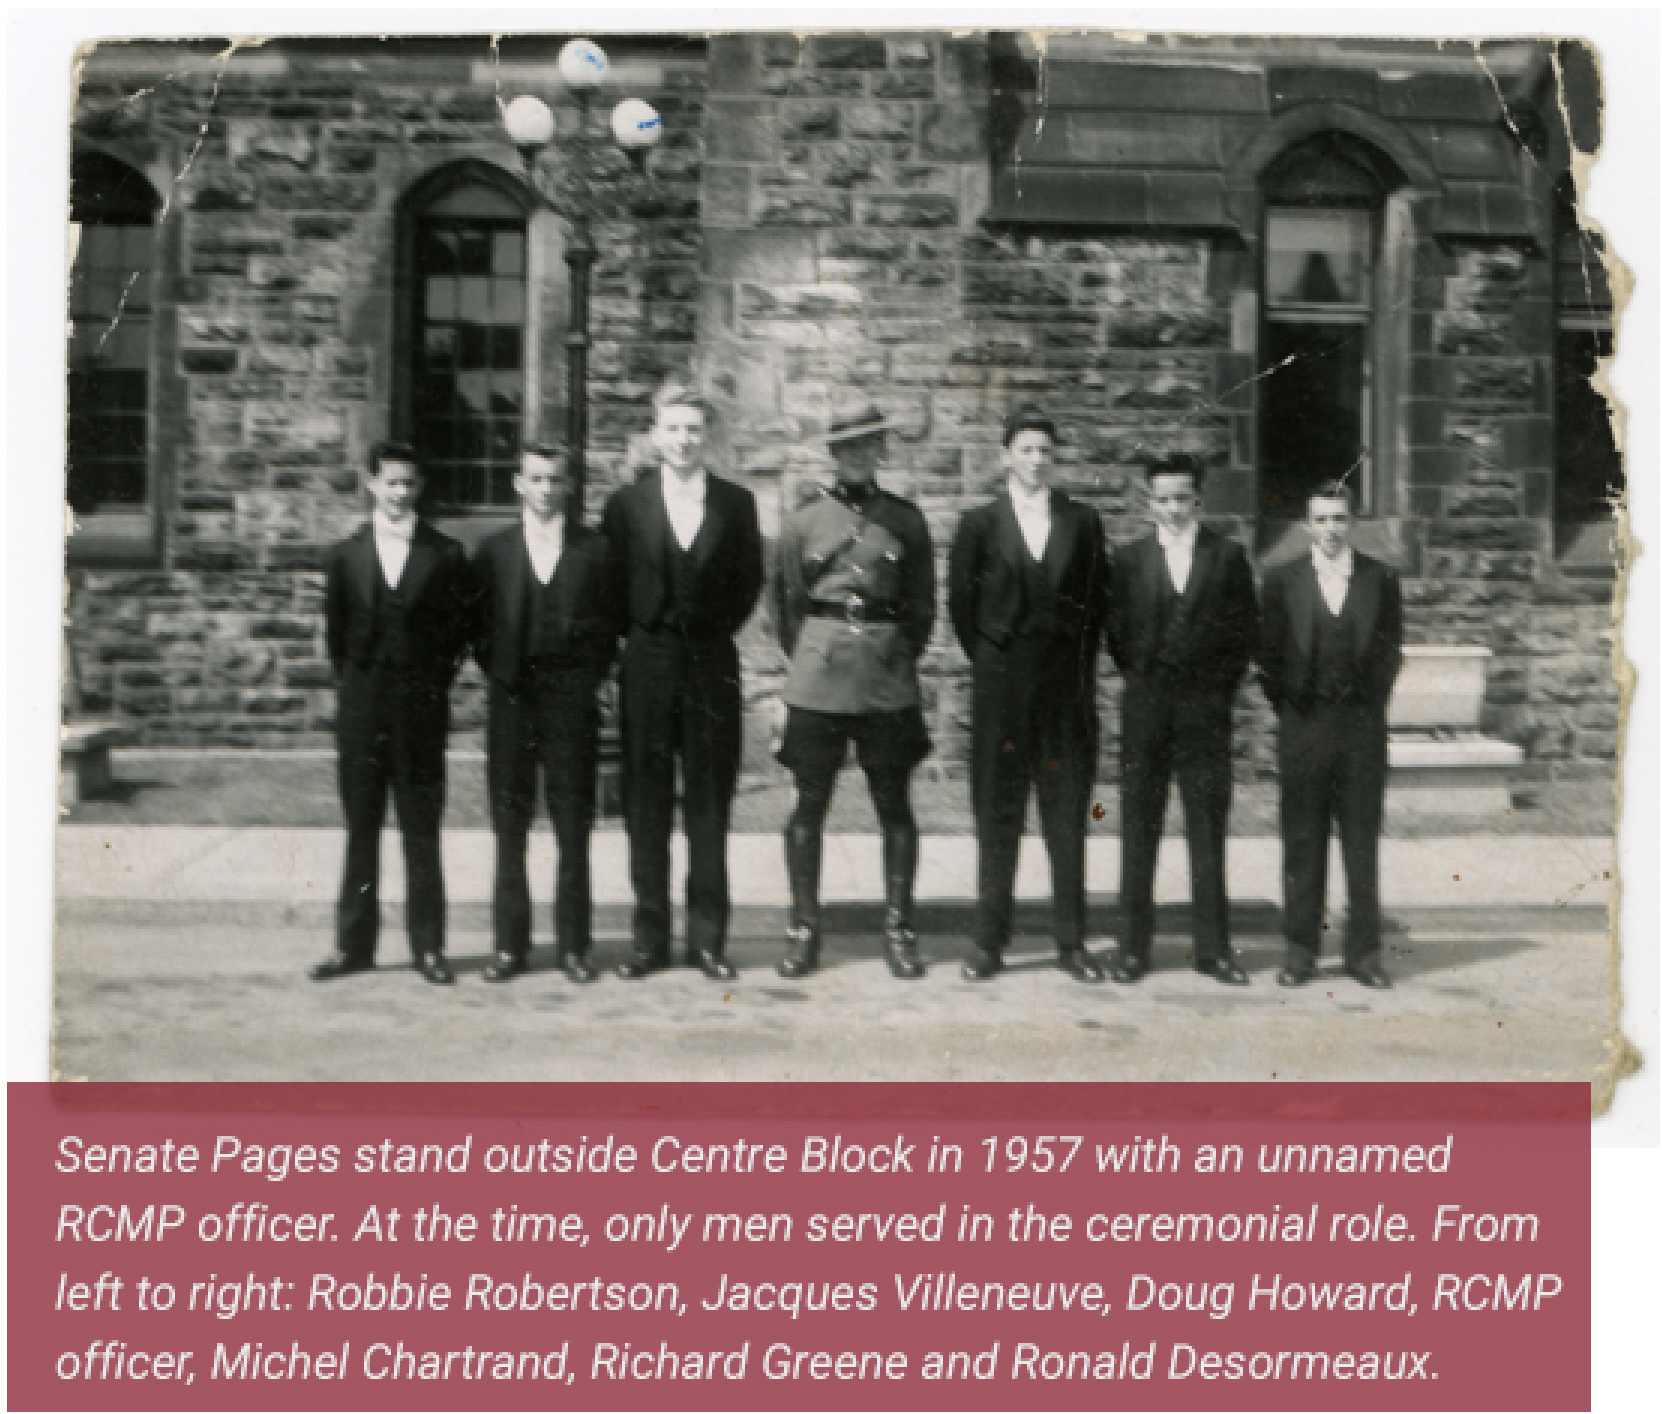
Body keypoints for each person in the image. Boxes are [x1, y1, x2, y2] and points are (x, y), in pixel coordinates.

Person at [601, 380, 764, 981]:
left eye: (694, 429)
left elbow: (748, 583)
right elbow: (611, 584)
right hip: (647, 662)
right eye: (673, 428)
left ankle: (707, 940)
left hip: (711, 663)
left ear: (707, 436)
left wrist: (712, 629)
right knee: (645, 802)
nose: (683, 440)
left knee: (709, 803)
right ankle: (648, 940)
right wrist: (642, 638)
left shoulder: (736, 504)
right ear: (655, 434)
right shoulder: (625, 505)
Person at [773, 395, 936, 980]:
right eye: (851, 447)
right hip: (818, 678)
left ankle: (898, 928)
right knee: (808, 803)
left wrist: (888, 652)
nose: (862, 455)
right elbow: (787, 606)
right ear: (835, 454)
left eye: (872, 444)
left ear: (882, 451)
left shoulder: (906, 520)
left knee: (894, 804)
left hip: (887, 678)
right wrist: (816, 653)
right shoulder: (804, 522)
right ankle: (802, 928)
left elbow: (922, 610)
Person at [949, 405, 1107, 983]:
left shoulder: (1082, 521)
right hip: (1002, 687)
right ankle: (989, 940)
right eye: (1026, 449)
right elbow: (962, 612)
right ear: (1006, 455)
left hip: (1065, 689)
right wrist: (999, 661)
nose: (1037, 461)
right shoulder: (980, 524)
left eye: (1045, 450)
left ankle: (1072, 943)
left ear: (1054, 457)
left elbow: (1095, 605)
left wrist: (1072, 668)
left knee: (1067, 814)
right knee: (998, 810)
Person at [310, 441, 468, 985]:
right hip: (362, 710)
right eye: (391, 483)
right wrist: (362, 688)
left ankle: (429, 947)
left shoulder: (445, 555)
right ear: (372, 484)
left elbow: (454, 638)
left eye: (409, 484)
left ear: (419, 488)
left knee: (421, 831)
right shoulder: (343, 556)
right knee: (361, 829)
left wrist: (426, 686)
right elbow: (337, 638)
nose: (400, 493)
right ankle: (354, 946)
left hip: (420, 711)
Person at [1106, 451, 1258, 986]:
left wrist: (1213, 691)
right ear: (1150, 503)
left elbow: (1243, 636)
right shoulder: (1127, 560)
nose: (1173, 509)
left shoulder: (1227, 557)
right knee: (1137, 828)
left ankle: (1213, 951)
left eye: (1182, 498)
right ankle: (1131, 949)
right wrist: (1148, 678)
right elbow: (1118, 635)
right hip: (1146, 709)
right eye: (1163, 499)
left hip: (1205, 712)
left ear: (1198, 499)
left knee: (1207, 829)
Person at [469, 444, 619, 986]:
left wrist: (583, 680)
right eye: (536, 479)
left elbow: (608, 628)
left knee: (572, 826)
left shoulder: (594, 551)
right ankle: (510, 947)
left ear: (568, 485)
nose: (546, 489)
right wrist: (504, 673)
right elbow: (480, 628)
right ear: (518, 484)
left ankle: (575, 947)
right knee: (510, 827)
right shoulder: (493, 552)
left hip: (570, 702)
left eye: (555, 479)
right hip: (512, 700)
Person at [1258, 480, 1403, 990]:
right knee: (1303, 841)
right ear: (1307, 525)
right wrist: (1297, 712)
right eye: (1320, 520)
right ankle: (1300, 951)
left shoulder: (1379, 579)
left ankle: (1362, 954)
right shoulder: (1281, 580)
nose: (1330, 530)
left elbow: (1389, 655)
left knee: (1361, 843)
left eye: (1339, 518)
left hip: (1361, 730)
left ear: (1352, 522)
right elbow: (1268, 660)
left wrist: (1365, 711)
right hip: (1304, 728)